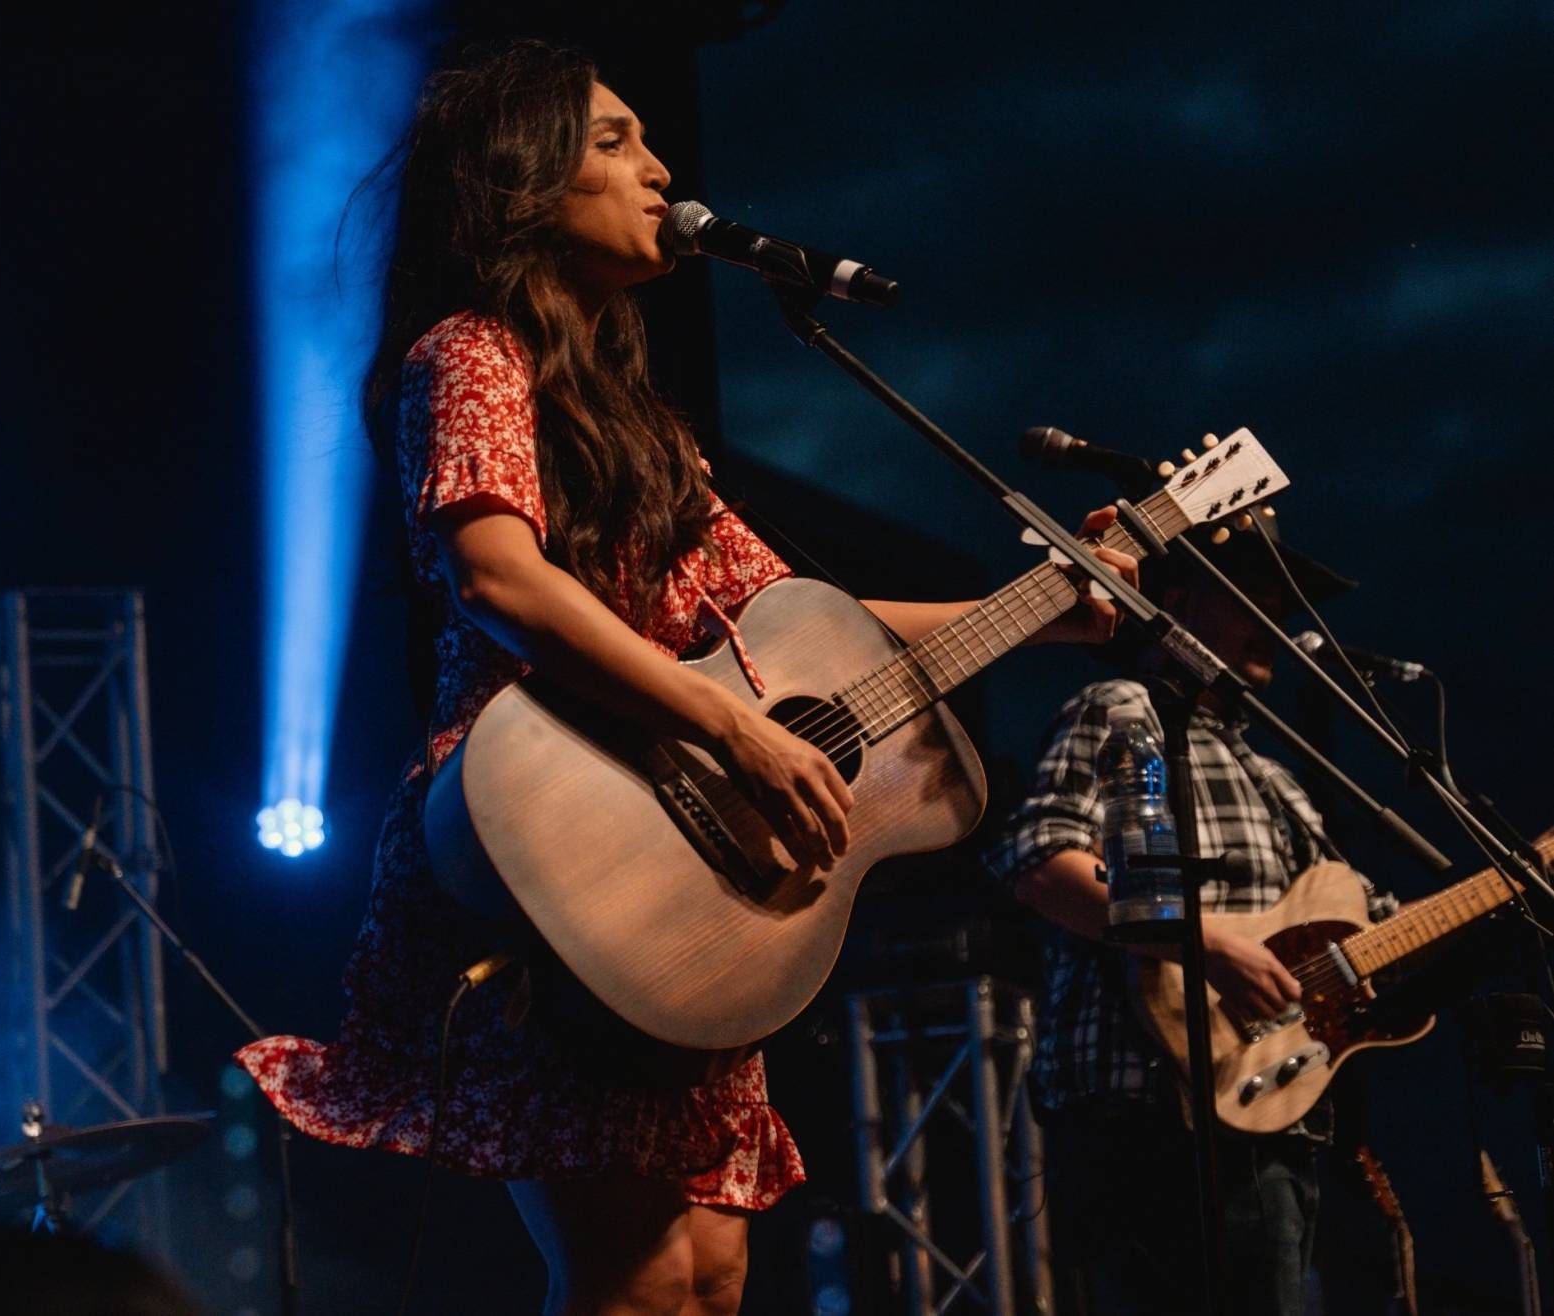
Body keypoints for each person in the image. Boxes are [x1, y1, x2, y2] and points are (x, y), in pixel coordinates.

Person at [237, 40, 1135, 1316]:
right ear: (523, 182)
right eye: (614, 142)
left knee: (711, 1275)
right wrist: (731, 724)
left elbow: (808, 620)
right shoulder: (472, 352)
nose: (660, 170)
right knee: (638, 1279)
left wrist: (1051, 611)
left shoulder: (637, 416)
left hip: (677, 866)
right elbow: (497, 578)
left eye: (650, 140)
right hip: (561, 830)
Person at [986, 513, 1397, 1316]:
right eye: (1253, 600)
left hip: (1272, 1107)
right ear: (1175, 602)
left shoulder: (1276, 778)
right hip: (1145, 1110)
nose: (1272, 622)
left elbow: (1370, 921)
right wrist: (1205, 946)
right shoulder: (1122, 707)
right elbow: (1039, 860)